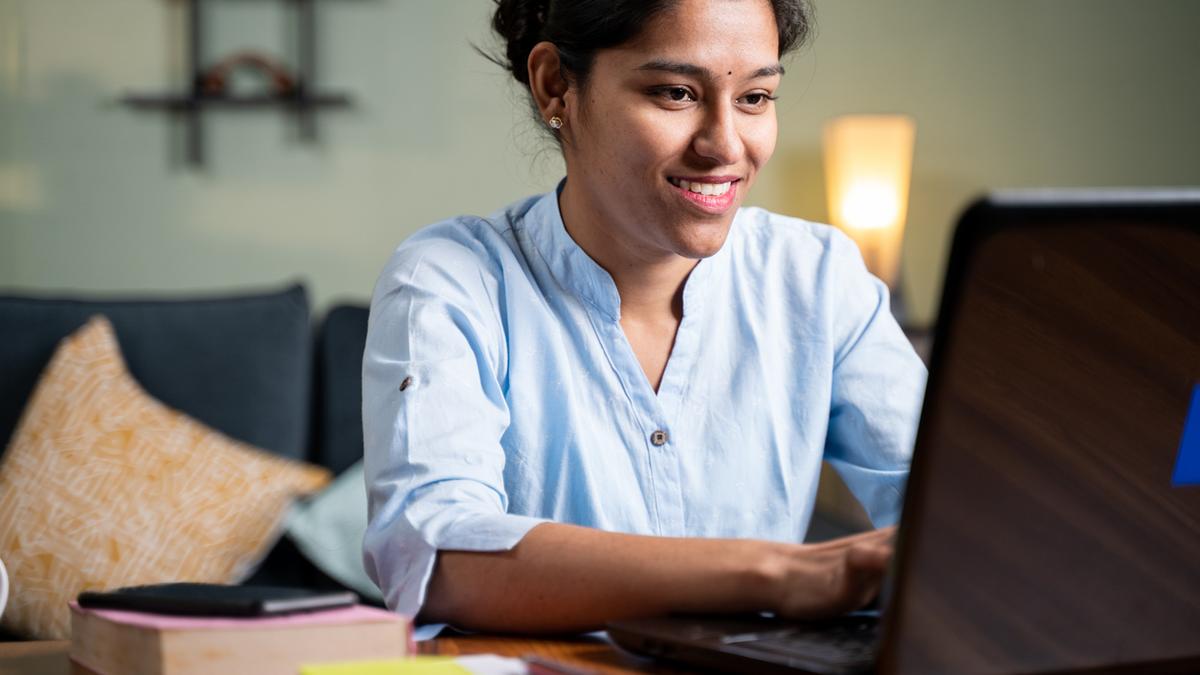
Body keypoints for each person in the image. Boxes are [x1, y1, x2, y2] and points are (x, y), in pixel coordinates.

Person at [362, 0, 926, 634]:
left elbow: (957, 511)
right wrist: (775, 573)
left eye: (755, 98)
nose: (725, 146)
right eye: (676, 93)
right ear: (555, 86)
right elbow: (435, 554)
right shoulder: (450, 277)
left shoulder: (817, 276)